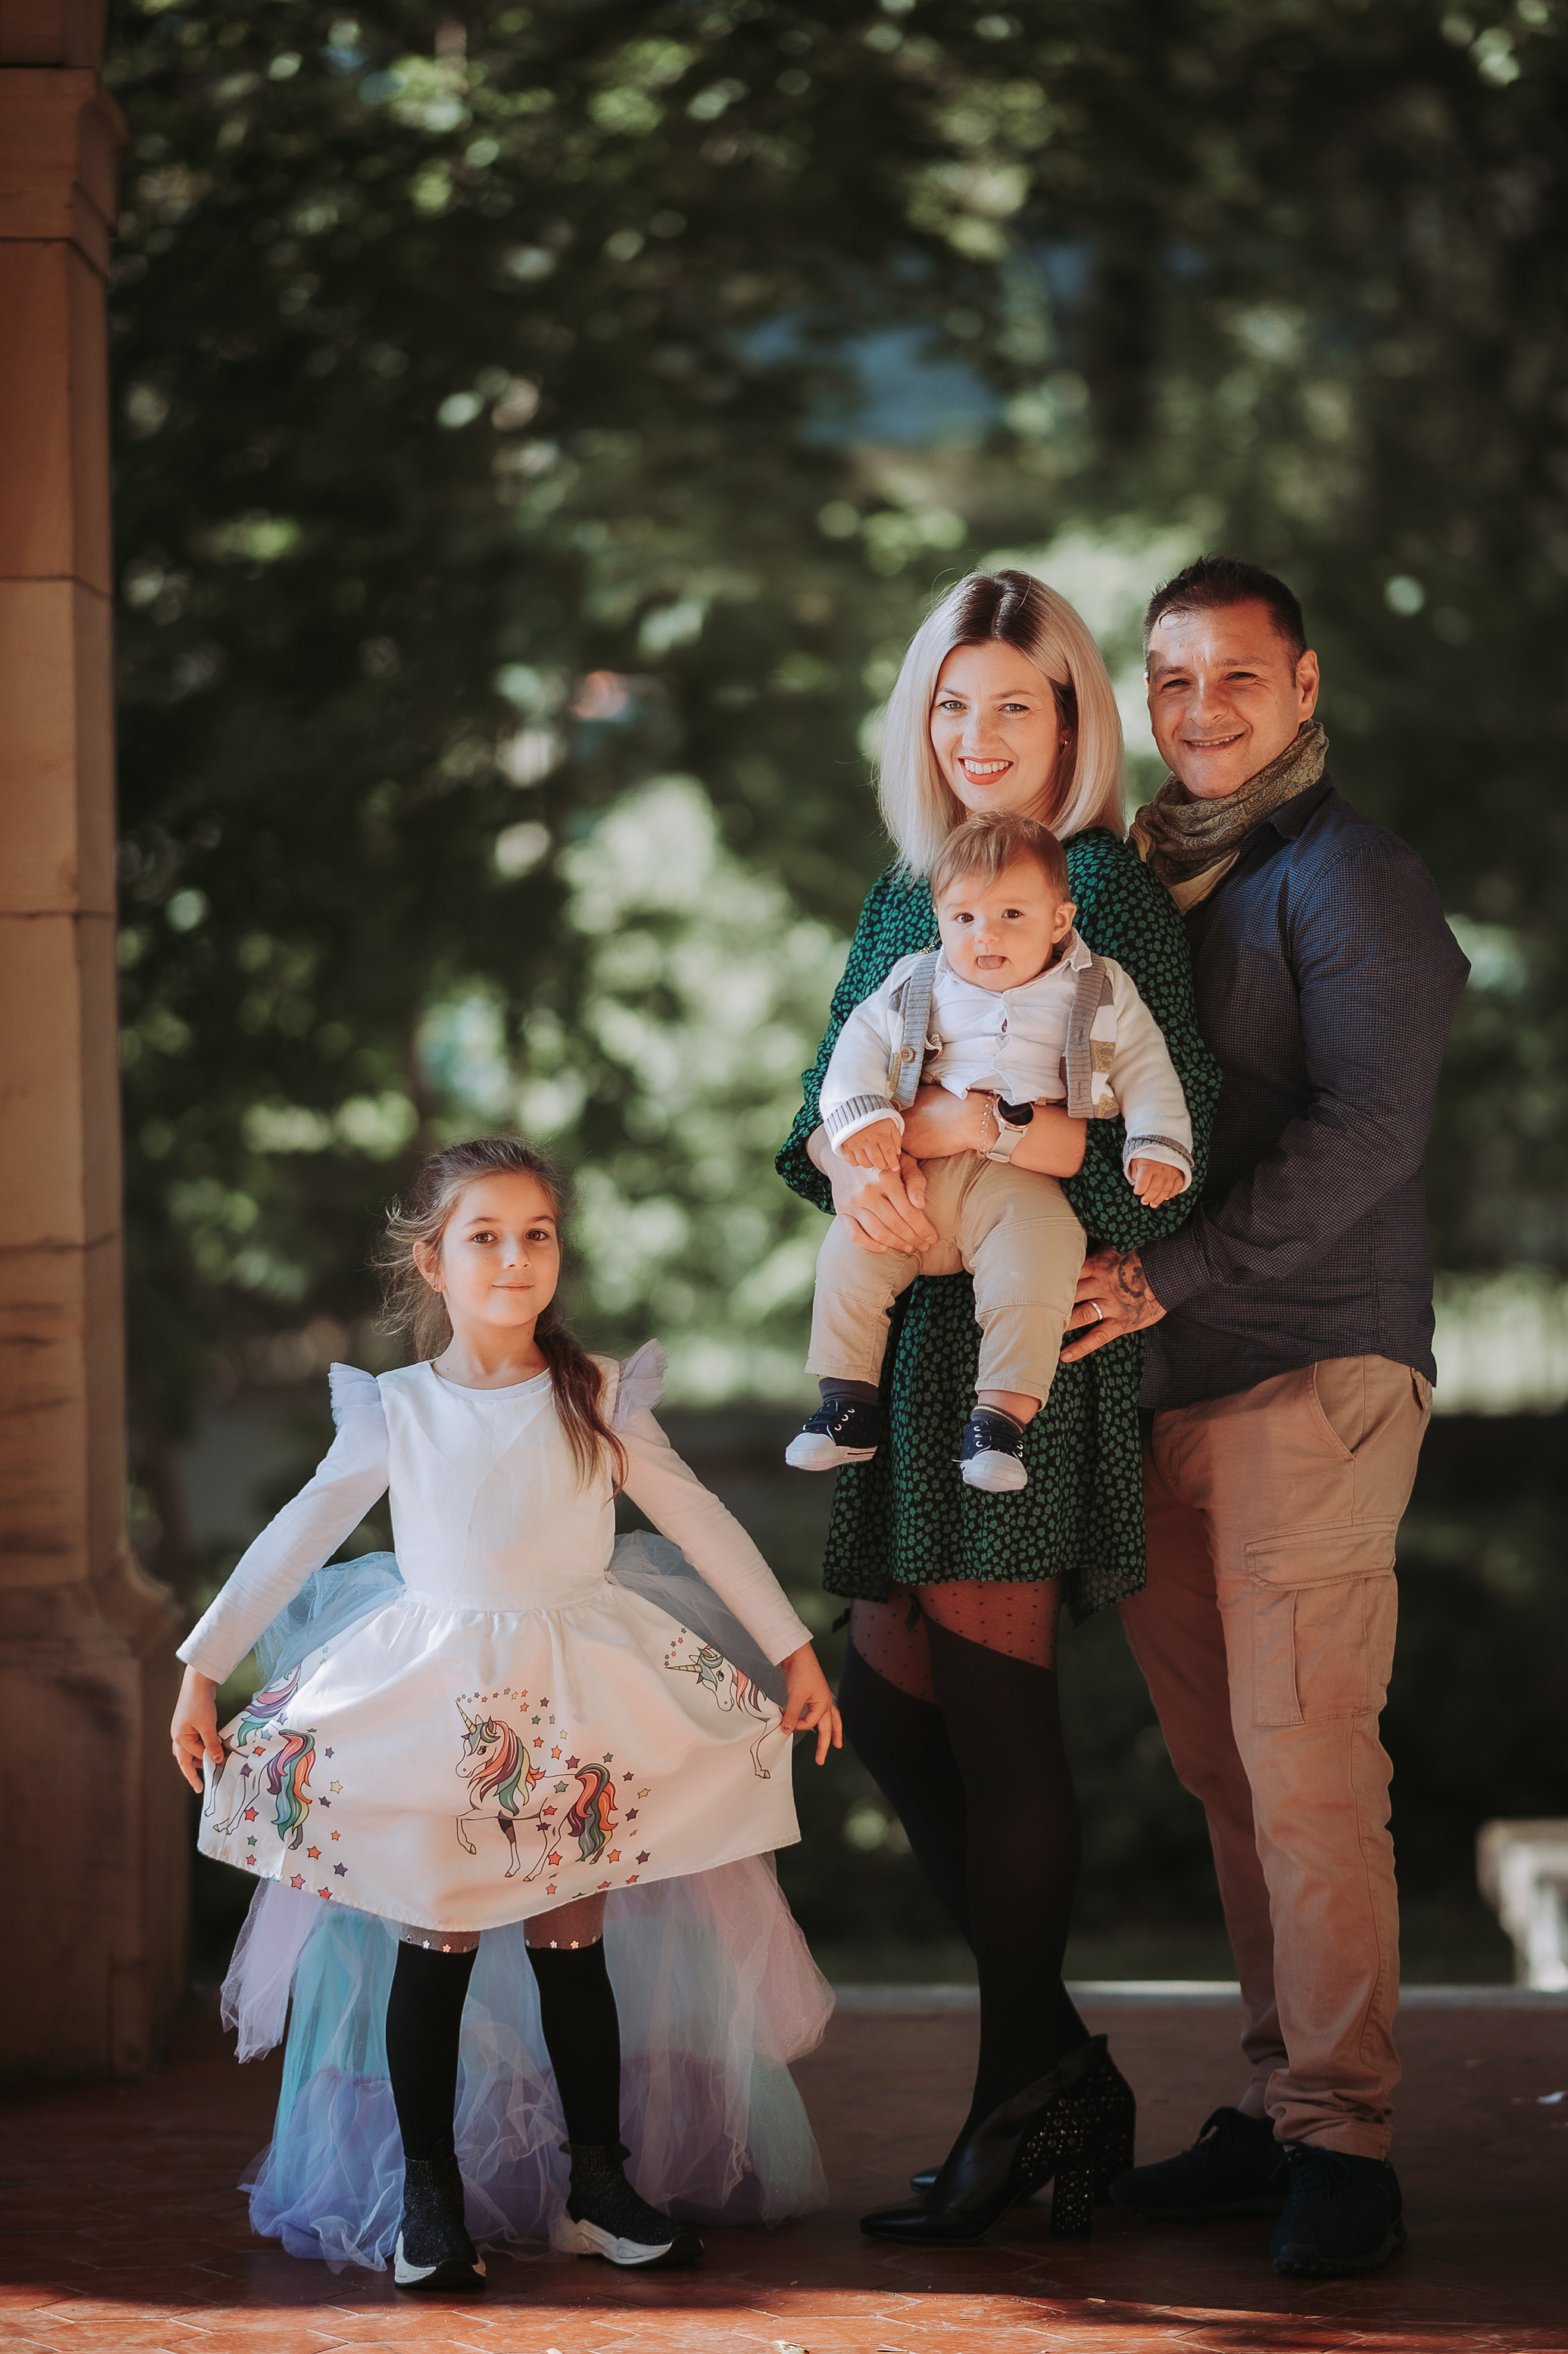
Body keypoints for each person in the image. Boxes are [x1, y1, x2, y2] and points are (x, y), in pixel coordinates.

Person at [170, 1136, 841, 2292]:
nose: (515, 1257)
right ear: (433, 1262)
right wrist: (202, 1666)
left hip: (577, 1693)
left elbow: (701, 1517)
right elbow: (298, 1533)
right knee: (434, 1939)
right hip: (434, 1701)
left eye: (537, 1233)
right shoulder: (395, 1408)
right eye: (484, 1236)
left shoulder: (595, 1393)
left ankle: (598, 2184)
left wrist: (793, 1647)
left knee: (571, 1943)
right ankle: (428, 2199)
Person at [777, 568, 1220, 2246]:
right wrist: (858, 1155)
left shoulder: (1100, 887)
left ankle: (1010, 2108)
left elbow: (1174, 1132)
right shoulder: (908, 892)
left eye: (1012, 706)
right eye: (951, 705)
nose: (977, 735)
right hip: (907, 1343)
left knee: (989, 1710)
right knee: (891, 1708)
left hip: (1020, 1352)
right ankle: (1060, 2072)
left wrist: (1015, 1148)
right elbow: (813, 1106)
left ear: (1070, 721)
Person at [1064, 557, 1468, 2279]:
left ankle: (1343, 2144)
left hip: (1311, 1369)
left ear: (1303, 689)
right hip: (1167, 1383)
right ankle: (1277, 2099)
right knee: (1229, 1774)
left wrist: (1176, 1274)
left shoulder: (1346, 873)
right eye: (1171, 679)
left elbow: (1374, 1126)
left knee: (1305, 1771)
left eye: (1237, 675)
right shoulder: (1157, 879)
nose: (1201, 709)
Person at [788, 807, 1193, 1492]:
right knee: (852, 1250)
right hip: (922, 1176)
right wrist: (861, 1119)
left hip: (1023, 1179)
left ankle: (1000, 1424)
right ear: (940, 920)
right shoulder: (917, 980)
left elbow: (1146, 1067)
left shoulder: (1098, 987)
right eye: (965, 917)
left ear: (1060, 921)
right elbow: (856, 1048)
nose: (986, 935)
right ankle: (845, 1404)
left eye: (1011, 914)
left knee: (1038, 1267)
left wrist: (1156, 1143)